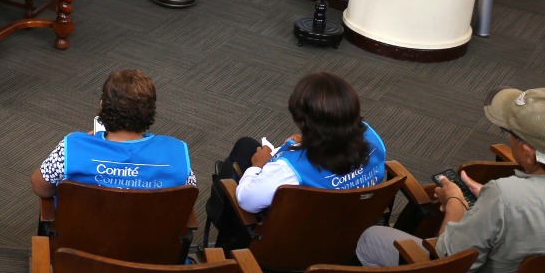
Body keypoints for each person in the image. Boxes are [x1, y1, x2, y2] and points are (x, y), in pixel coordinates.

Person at [357, 87, 545, 273]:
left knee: (371, 238)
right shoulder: (507, 197)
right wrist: (492, 201)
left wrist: (454, 201)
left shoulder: (506, 195)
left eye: (508, 132)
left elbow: (448, 260)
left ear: (528, 154)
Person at [232, 72, 388, 215]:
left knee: (242, 151)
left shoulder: (289, 170)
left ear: (300, 121)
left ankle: (229, 241)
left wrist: (257, 166)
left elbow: (246, 201)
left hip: (304, 232)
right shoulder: (372, 137)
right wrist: (305, 143)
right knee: (246, 145)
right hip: (352, 220)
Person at [31, 69, 195, 199]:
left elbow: (41, 188)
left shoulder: (72, 148)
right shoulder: (176, 153)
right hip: (151, 239)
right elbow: (187, 198)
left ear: (103, 107)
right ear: (151, 111)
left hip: (81, 238)